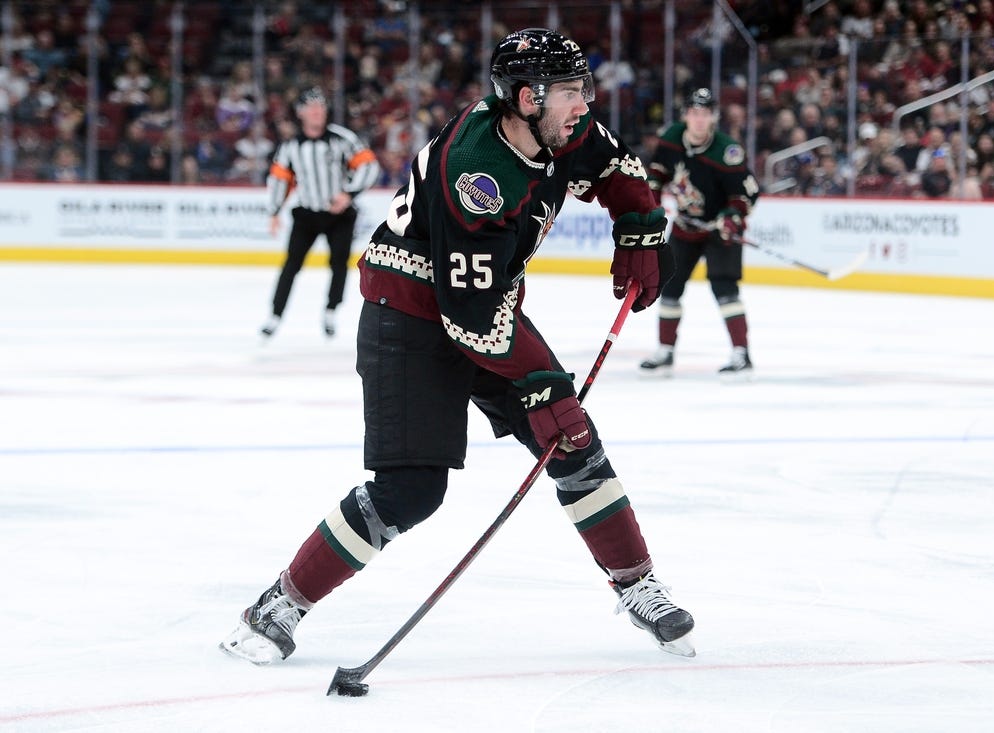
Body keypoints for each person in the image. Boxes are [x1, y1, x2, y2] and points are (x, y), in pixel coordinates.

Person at [220, 28, 695, 665]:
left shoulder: (560, 127)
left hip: (480, 302)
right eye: (571, 91)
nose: (585, 102)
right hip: (409, 317)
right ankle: (278, 605)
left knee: (573, 441)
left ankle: (638, 587)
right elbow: (471, 317)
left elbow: (615, 167)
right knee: (411, 491)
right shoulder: (478, 176)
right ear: (528, 98)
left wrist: (639, 228)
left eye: (585, 87)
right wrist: (544, 385)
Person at [638, 87, 761, 380]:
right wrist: (651, 205)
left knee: (725, 289)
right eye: (694, 113)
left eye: (705, 114)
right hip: (685, 226)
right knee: (669, 288)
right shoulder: (670, 140)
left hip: (720, 231)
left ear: (713, 117)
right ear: (686, 116)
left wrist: (731, 219)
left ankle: (741, 354)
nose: (699, 120)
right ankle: (665, 352)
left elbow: (747, 195)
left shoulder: (727, 151)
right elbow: (656, 175)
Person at [260, 87, 381, 339]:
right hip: (307, 214)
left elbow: (368, 165)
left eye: (321, 108)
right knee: (291, 265)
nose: (318, 113)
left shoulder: (342, 138)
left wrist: (348, 194)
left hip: (340, 214)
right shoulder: (291, 147)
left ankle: (331, 310)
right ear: (301, 113)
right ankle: (275, 314)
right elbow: (280, 180)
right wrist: (274, 211)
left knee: (338, 264)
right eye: (312, 108)